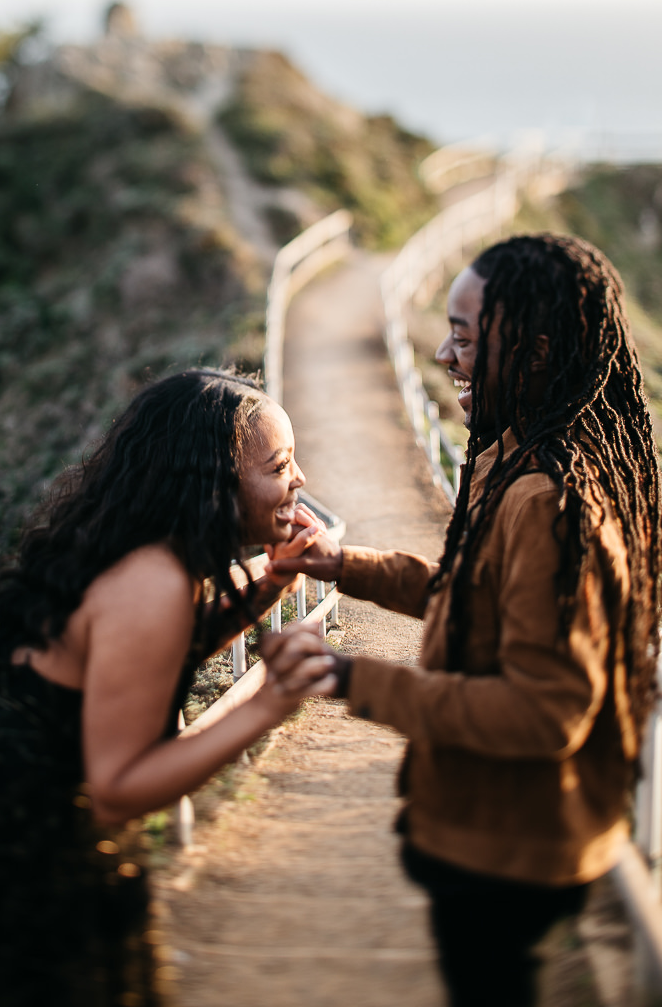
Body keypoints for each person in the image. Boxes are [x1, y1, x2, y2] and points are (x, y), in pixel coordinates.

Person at [265, 234, 662, 1007]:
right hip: (490, 833)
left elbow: (545, 710)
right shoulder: (515, 458)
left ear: (537, 351)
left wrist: (352, 679)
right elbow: (468, 594)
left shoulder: (548, 501)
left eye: (465, 335)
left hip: (508, 852)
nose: (446, 355)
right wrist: (345, 566)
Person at [0, 368, 336, 1007]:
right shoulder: (153, 581)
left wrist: (265, 589)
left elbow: (139, 670)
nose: (299, 482)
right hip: (11, 840)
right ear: (212, 481)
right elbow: (117, 787)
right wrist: (269, 702)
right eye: (280, 465)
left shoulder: (132, 547)